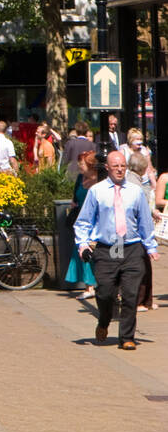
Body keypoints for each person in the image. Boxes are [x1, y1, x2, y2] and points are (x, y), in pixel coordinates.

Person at [75, 149, 159, 349]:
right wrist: (83, 245)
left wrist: (150, 246)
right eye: (116, 166)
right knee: (105, 293)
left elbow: (145, 221)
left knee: (131, 294)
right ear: (107, 168)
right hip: (108, 248)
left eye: (123, 166)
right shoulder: (97, 191)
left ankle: (127, 337)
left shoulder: (135, 191)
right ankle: (104, 321)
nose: (120, 170)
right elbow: (83, 222)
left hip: (131, 247)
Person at [63, 149, 99, 299]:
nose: (79, 165)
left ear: (90, 165)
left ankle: (94, 286)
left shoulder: (99, 180)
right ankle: (88, 286)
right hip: (80, 221)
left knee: (93, 252)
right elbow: (75, 199)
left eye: (81, 163)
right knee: (81, 251)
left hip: (94, 222)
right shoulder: (79, 178)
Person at [127, 151, 159, 312]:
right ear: (143, 169)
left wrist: (152, 212)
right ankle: (140, 301)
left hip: (133, 233)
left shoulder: (133, 180)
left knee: (142, 266)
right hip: (135, 233)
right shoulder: (135, 184)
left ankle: (145, 300)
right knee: (141, 267)